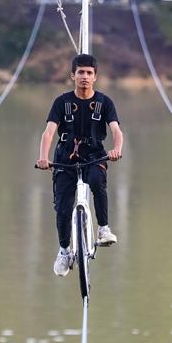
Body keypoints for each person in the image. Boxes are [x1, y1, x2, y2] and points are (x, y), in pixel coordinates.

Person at [36, 54, 124, 277]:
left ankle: (103, 229)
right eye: (80, 72)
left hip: (94, 155)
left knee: (97, 182)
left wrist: (116, 149)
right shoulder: (61, 102)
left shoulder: (105, 102)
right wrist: (43, 157)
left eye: (89, 73)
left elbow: (116, 131)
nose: (84, 77)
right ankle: (64, 250)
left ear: (95, 77)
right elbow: (48, 132)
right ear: (72, 75)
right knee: (63, 208)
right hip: (65, 157)